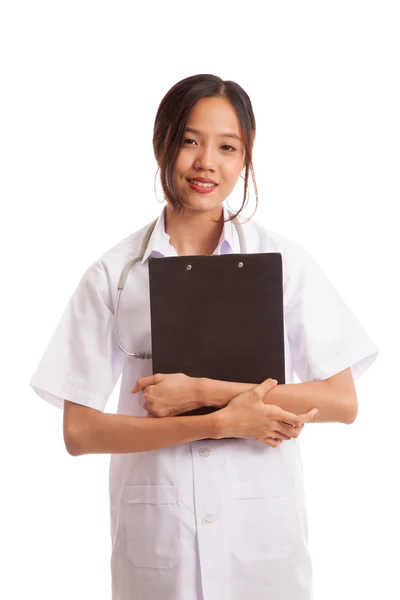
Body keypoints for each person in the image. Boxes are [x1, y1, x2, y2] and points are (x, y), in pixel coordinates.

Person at [30, 74, 379, 600]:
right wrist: (220, 423)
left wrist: (202, 393)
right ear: (162, 143)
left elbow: (341, 401)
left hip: (263, 545)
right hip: (160, 547)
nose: (206, 163)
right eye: (190, 140)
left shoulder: (284, 264)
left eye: (228, 147)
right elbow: (80, 433)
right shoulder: (113, 273)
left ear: (245, 159)